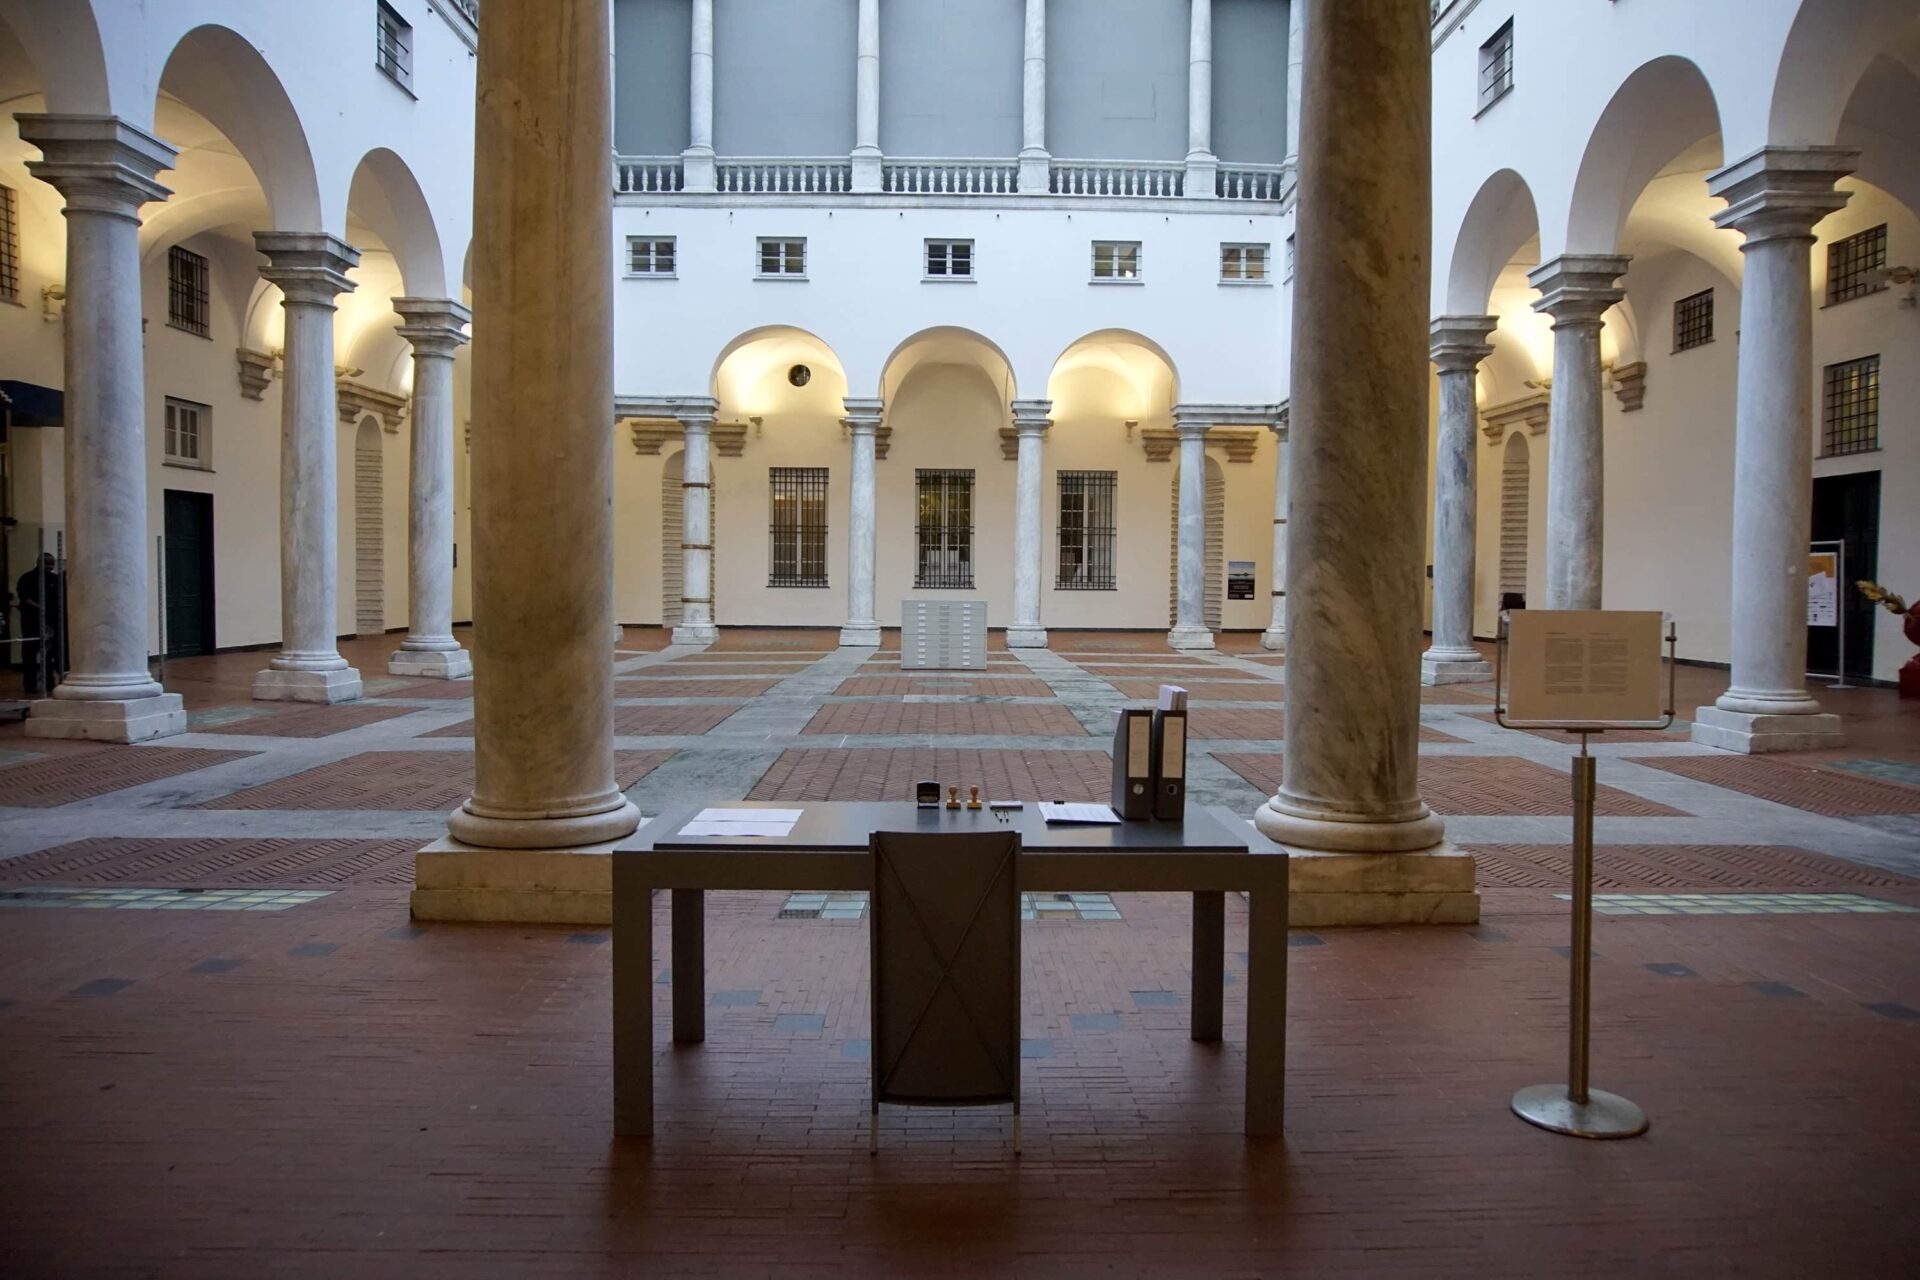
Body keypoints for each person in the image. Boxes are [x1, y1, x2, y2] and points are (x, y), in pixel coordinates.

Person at [15, 553, 60, 696]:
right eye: (48, 562)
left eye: (52, 562)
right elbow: (25, 598)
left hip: (49, 619)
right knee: (32, 652)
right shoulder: (28, 578)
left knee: (48, 652)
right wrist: (42, 608)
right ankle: (32, 684)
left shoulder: (54, 579)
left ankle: (46, 683)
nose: (50, 565)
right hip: (32, 619)